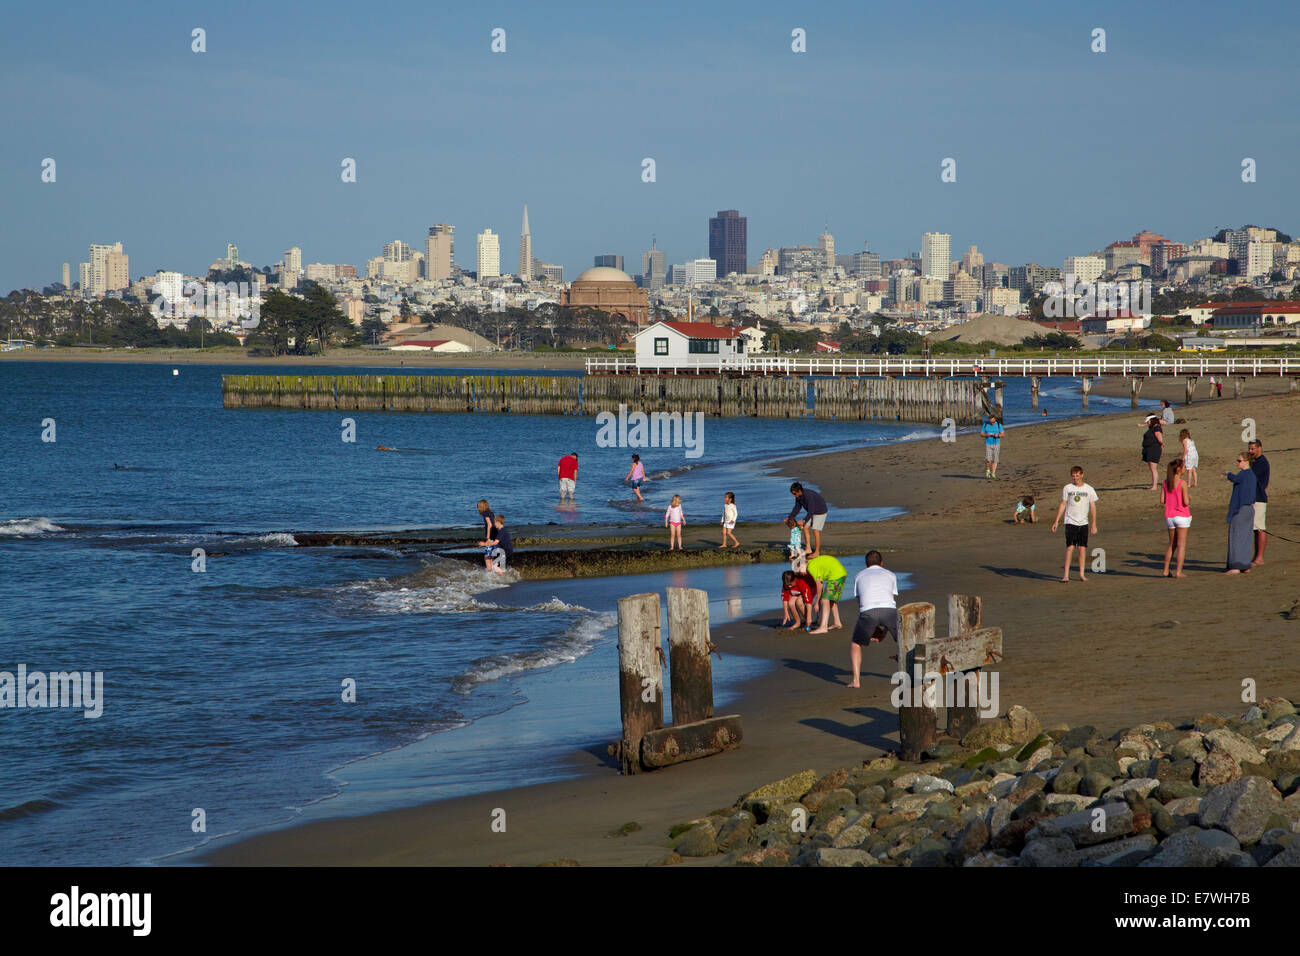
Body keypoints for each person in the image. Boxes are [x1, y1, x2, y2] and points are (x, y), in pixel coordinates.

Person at [848, 551, 899, 689]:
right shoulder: (890, 574)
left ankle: (856, 680)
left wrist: (872, 627)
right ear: (881, 563)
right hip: (889, 610)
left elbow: (861, 603)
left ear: (866, 564)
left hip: (868, 611)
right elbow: (890, 600)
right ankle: (909, 672)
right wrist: (884, 630)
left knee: (856, 643)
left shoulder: (859, 575)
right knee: (903, 639)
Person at [1051, 465, 1099, 582]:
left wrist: (1094, 524)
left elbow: (1093, 507)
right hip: (1070, 521)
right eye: (1073, 476)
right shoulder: (1067, 488)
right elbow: (1063, 504)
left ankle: (1082, 574)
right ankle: (1066, 575)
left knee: (1082, 549)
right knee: (1070, 548)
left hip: (1083, 523)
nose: (1075, 478)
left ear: (1082, 475)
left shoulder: (1089, 489)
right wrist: (1056, 521)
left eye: (1077, 475)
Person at [1223, 453, 1257, 574]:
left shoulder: (1244, 474)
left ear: (1246, 461)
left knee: (1236, 536)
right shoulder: (1252, 475)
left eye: (1239, 460)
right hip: (1250, 509)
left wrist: (1227, 474)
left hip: (1241, 509)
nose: (1237, 462)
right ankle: (1245, 564)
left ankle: (1236, 566)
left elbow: (1236, 479)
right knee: (1246, 537)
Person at [1160, 459, 1191, 578]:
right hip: (1182, 516)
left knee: (1171, 544)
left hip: (1170, 516)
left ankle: (1166, 570)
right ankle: (1178, 572)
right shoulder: (1182, 483)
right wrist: (1189, 497)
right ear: (1178, 469)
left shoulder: (1165, 482)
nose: (1185, 469)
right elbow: (1186, 502)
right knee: (1181, 545)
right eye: (1183, 467)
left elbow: (1162, 500)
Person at [806, 553, 847, 634]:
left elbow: (818, 585)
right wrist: (818, 599)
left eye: (799, 569)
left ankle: (823, 627)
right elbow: (820, 583)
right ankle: (837, 623)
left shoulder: (811, 567)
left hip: (836, 575)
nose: (801, 572)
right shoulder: (812, 563)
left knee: (825, 600)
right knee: (831, 600)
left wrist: (817, 602)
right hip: (840, 573)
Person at [787, 482, 829, 557]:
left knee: (815, 530)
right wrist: (790, 517)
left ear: (799, 491)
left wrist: (804, 520)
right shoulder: (798, 497)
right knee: (805, 528)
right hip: (812, 512)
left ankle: (817, 552)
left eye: (794, 493)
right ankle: (808, 548)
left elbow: (811, 510)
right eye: (793, 494)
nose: (794, 495)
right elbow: (797, 507)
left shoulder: (808, 496)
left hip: (820, 511)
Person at [1248, 439, 1269, 567]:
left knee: (1260, 528)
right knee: (1255, 529)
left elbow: (1258, 483)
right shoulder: (1254, 462)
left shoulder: (1262, 462)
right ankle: (1256, 556)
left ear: (1259, 448)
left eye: (1252, 449)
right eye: (1249, 449)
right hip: (1254, 498)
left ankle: (1260, 557)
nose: (1250, 451)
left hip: (1259, 498)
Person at [1141, 415, 1164, 490]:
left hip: (1154, 449)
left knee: (1153, 468)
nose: (1147, 423)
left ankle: (1154, 486)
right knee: (1152, 468)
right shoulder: (1152, 427)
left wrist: (1161, 443)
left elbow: (1159, 437)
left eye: (1148, 421)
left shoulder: (1156, 427)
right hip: (1150, 449)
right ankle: (1153, 485)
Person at [981, 413, 1004, 479]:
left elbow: (1002, 434)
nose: (992, 423)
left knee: (995, 459)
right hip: (988, 444)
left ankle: (993, 473)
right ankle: (988, 470)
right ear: (989, 420)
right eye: (991, 422)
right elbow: (981, 434)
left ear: (995, 420)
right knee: (988, 459)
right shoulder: (985, 424)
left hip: (997, 443)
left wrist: (998, 435)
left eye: (993, 421)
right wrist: (986, 435)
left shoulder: (999, 425)